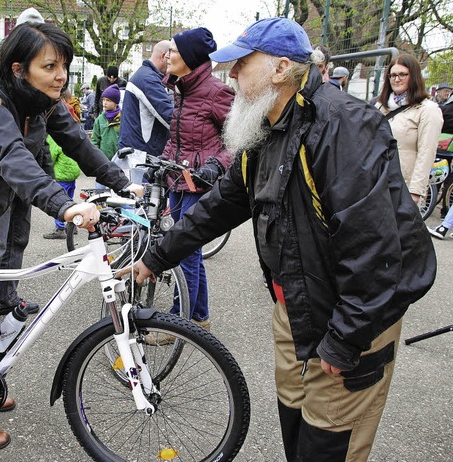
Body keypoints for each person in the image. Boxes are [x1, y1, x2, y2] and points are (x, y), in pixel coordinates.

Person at [127, 17, 436, 462]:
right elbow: (221, 204)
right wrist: (156, 257)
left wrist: (347, 337)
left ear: (280, 68)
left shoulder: (342, 124)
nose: (230, 75)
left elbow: (375, 247)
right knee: (295, 422)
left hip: (348, 314)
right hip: (294, 305)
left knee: (328, 442)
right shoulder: (266, 125)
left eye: (240, 65)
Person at [0, 22, 142, 452]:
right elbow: (12, 157)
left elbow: (78, 143)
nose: (61, 76)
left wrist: (121, 183)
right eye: (50, 66)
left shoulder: (41, 102)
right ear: (19, 68)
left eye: (65, 67)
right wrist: (65, 205)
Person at [158, 27, 234, 332]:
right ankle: (199, 315)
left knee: (184, 250)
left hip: (199, 184)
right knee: (190, 252)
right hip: (177, 181)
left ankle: (181, 322)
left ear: (189, 57)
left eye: (173, 51)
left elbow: (241, 139)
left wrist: (217, 165)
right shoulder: (181, 89)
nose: (167, 56)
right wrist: (162, 163)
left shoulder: (217, 92)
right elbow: (177, 138)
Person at [0, 7, 49, 320]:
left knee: (18, 237)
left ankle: (8, 297)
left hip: (28, 168)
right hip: (2, 171)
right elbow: (2, 139)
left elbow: (55, 127)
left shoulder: (43, 73)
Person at [375, 54, 443, 205]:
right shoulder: (380, 106)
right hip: (376, 183)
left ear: (413, 76)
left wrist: (415, 191)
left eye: (402, 74)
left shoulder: (428, 110)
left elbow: (427, 153)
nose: (396, 79)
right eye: (393, 75)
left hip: (403, 187)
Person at [119, 40, 172, 156]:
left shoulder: (144, 75)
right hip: (142, 155)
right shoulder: (148, 80)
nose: (172, 63)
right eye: (172, 58)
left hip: (135, 149)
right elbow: (168, 115)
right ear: (164, 56)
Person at [42, 135, 81, 239]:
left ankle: (60, 229)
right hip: (72, 173)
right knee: (69, 200)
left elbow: (51, 156)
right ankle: (72, 225)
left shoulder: (54, 137)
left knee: (58, 201)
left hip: (61, 174)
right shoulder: (69, 133)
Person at [91, 83, 122, 162]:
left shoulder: (123, 119)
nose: (104, 103)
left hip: (119, 160)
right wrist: (96, 158)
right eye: (103, 99)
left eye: (108, 100)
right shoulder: (100, 120)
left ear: (115, 102)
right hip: (103, 161)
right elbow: (95, 140)